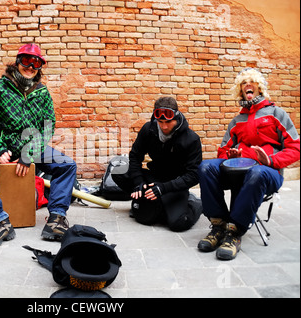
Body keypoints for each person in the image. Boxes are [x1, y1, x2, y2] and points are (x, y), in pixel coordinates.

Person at [0, 43, 77, 248]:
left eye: (36, 63)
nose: (30, 66)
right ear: (17, 61)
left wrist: (27, 153)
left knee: (66, 165)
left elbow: (47, 127)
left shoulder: (42, 93)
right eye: (26, 61)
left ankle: (56, 219)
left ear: (40, 66)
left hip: (29, 145)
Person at [197, 68, 300, 260]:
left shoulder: (276, 114)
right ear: (240, 90)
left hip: (267, 172)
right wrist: (230, 155)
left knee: (257, 172)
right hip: (236, 171)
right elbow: (222, 151)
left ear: (259, 87)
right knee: (206, 167)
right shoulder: (237, 121)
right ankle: (218, 225)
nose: (247, 85)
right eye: (244, 83)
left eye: (251, 82)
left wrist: (269, 160)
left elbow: (295, 147)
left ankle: (235, 231)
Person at [112, 96, 203, 232]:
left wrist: (163, 189)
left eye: (168, 122)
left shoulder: (191, 139)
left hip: (174, 185)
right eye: (160, 122)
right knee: (119, 173)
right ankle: (144, 198)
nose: (164, 126)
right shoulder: (149, 129)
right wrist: (139, 182)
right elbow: (135, 156)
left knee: (178, 224)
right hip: (154, 178)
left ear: (176, 118)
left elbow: (193, 175)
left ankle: (194, 203)